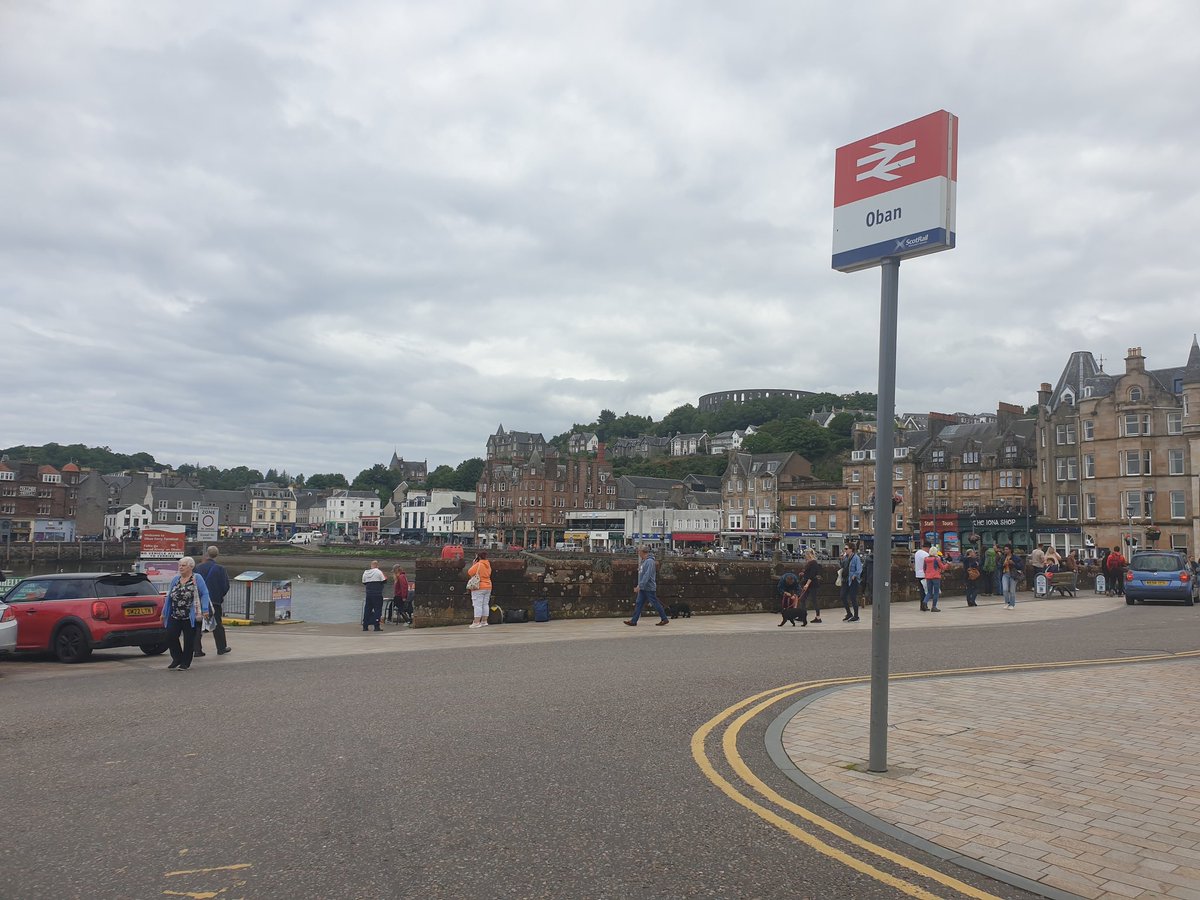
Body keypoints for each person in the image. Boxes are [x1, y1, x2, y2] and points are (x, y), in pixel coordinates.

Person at [162, 556, 212, 671]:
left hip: (190, 616)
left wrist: (205, 610)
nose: (180, 567)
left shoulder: (197, 578)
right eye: (180, 565)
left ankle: (185, 662)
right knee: (170, 636)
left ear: (191, 567)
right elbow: (169, 596)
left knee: (189, 640)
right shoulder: (175, 579)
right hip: (175, 614)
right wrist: (164, 612)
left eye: (183, 565)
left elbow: (205, 593)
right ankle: (177, 658)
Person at [193, 545, 231, 657]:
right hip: (214, 601)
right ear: (216, 555)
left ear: (206, 555)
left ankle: (197, 650)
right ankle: (221, 648)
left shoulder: (197, 568)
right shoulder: (220, 569)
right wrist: (219, 596)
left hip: (199, 601)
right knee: (218, 625)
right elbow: (225, 586)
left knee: (198, 625)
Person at [625, 545, 669, 626]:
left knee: (655, 603)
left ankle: (664, 618)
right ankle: (634, 621)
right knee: (639, 603)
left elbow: (647, 575)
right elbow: (642, 574)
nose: (638, 552)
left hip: (648, 588)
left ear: (642, 552)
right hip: (643, 587)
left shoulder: (649, 562)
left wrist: (640, 585)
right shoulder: (644, 561)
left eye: (638, 551)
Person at [467, 551, 492, 628]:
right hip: (488, 586)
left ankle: (476, 622)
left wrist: (474, 564)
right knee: (485, 604)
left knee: (477, 605)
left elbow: (470, 572)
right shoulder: (488, 564)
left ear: (478, 557)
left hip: (479, 586)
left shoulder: (478, 564)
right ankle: (484, 621)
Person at [799, 549, 823, 624]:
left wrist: (807, 584)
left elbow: (812, 575)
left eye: (805, 555)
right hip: (808, 583)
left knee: (814, 600)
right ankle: (803, 615)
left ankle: (818, 617)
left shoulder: (814, 563)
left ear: (809, 554)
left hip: (812, 584)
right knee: (802, 599)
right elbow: (808, 573)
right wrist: (803, 574)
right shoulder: (809, 563)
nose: (805, 556)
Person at [362, 560, 386, 631]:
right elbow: (384, 580)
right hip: (377, 594)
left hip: (368, 594)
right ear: (377, 565)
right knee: (377, 610)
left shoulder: (366, 573)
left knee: (367, 610)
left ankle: (365, 626)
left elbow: (364, 582)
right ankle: (376, 626)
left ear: (371, 565)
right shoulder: (379, 572)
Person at [841, 544, 862, 622]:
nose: (845, 550)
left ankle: (856, 616)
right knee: (842, 596)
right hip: (845, 580)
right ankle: (849, 613)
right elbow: (842, 566)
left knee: (853, 598)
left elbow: (859, 569)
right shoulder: (846, 558)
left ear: (851, 549)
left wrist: (855, 575)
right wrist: (841, 559)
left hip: (853, 580)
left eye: (846, 548)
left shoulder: (856, 558)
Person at [923, 547, 945, 612]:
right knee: (936, 592)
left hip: (928, 577)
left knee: (929, 592)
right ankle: (934, 607)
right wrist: (948, 565)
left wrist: (927, 574)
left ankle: (925, 602)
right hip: (935, 576)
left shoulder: (926, 559)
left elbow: (924, 568)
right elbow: (942, 567)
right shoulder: (937, 559)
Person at [1001, 544, 1020, 608]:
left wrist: (1013, 563)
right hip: (1005, 574)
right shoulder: (1003, 557)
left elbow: (1021, 566)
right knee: (1005, 589)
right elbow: (998, 566)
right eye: (1004, 549)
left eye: (1007, 549)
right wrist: (1003, 565)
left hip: (1013, 574)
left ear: (1010, 550)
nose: (1005, 550)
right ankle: (1007, 602)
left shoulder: (1015, 557)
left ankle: (1012, 604)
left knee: (1012, 590)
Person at [914, 542, 931, 611]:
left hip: (918, 574)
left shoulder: (917, 553)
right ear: (927, 548)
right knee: (926, 591)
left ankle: (922, 605)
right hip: (924, 574)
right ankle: (924, 605)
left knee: (922, 590)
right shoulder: (925, 554)